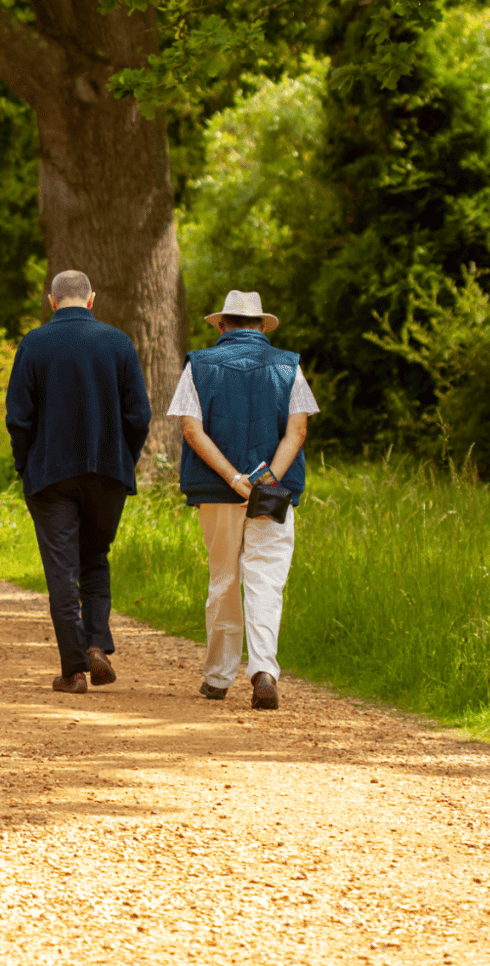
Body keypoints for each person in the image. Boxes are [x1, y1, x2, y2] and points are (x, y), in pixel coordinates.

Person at [167, 290, 319, 710]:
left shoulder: (198, 365)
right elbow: (298, 431)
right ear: (262, 326)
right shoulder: (289, 365)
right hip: (273, 492)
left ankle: (218, 677)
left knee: (224, 579)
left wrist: (234, 479)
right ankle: (264, 671)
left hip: (218, 491)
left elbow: (192, 430)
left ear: (221, 325)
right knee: (266, 579)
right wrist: (267, 481)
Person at [5, 270, 151, 693]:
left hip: (50, 474)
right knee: (95, 557)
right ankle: (96, 643)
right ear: (91, 299)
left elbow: (18, 418)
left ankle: (73, 669)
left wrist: (24, 466)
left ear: (52, 301)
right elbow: (139, 416)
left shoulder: (33, 344)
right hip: (108, 472)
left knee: (61, 569)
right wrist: (124, 459)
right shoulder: (118, 342)